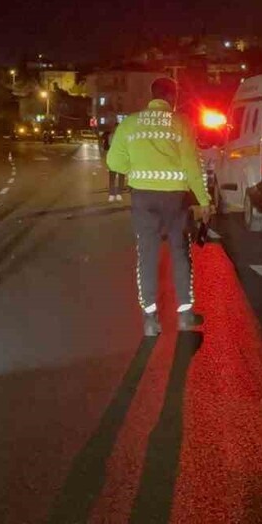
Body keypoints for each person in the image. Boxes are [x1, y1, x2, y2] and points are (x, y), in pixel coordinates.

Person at [106, 77, 211, 336]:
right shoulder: (182, 124)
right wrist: (204, 201)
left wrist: (138, 171)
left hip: (144, 199)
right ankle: (185, 315)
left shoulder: (130, 124)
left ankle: (150, 320)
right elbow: (192, 166)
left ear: (151, 96)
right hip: (176, 200)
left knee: (147, 256)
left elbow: (114, 163)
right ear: (173, 98)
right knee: (179, 253)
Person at [100, 124, 126, 202]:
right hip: (114, 160)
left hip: (122, 160)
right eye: (116, 128)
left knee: (121, 177)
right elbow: (111, 147)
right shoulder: (111, 136)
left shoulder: (124, 136)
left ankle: (119, 194)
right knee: (112, 178)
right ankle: (111, 194)